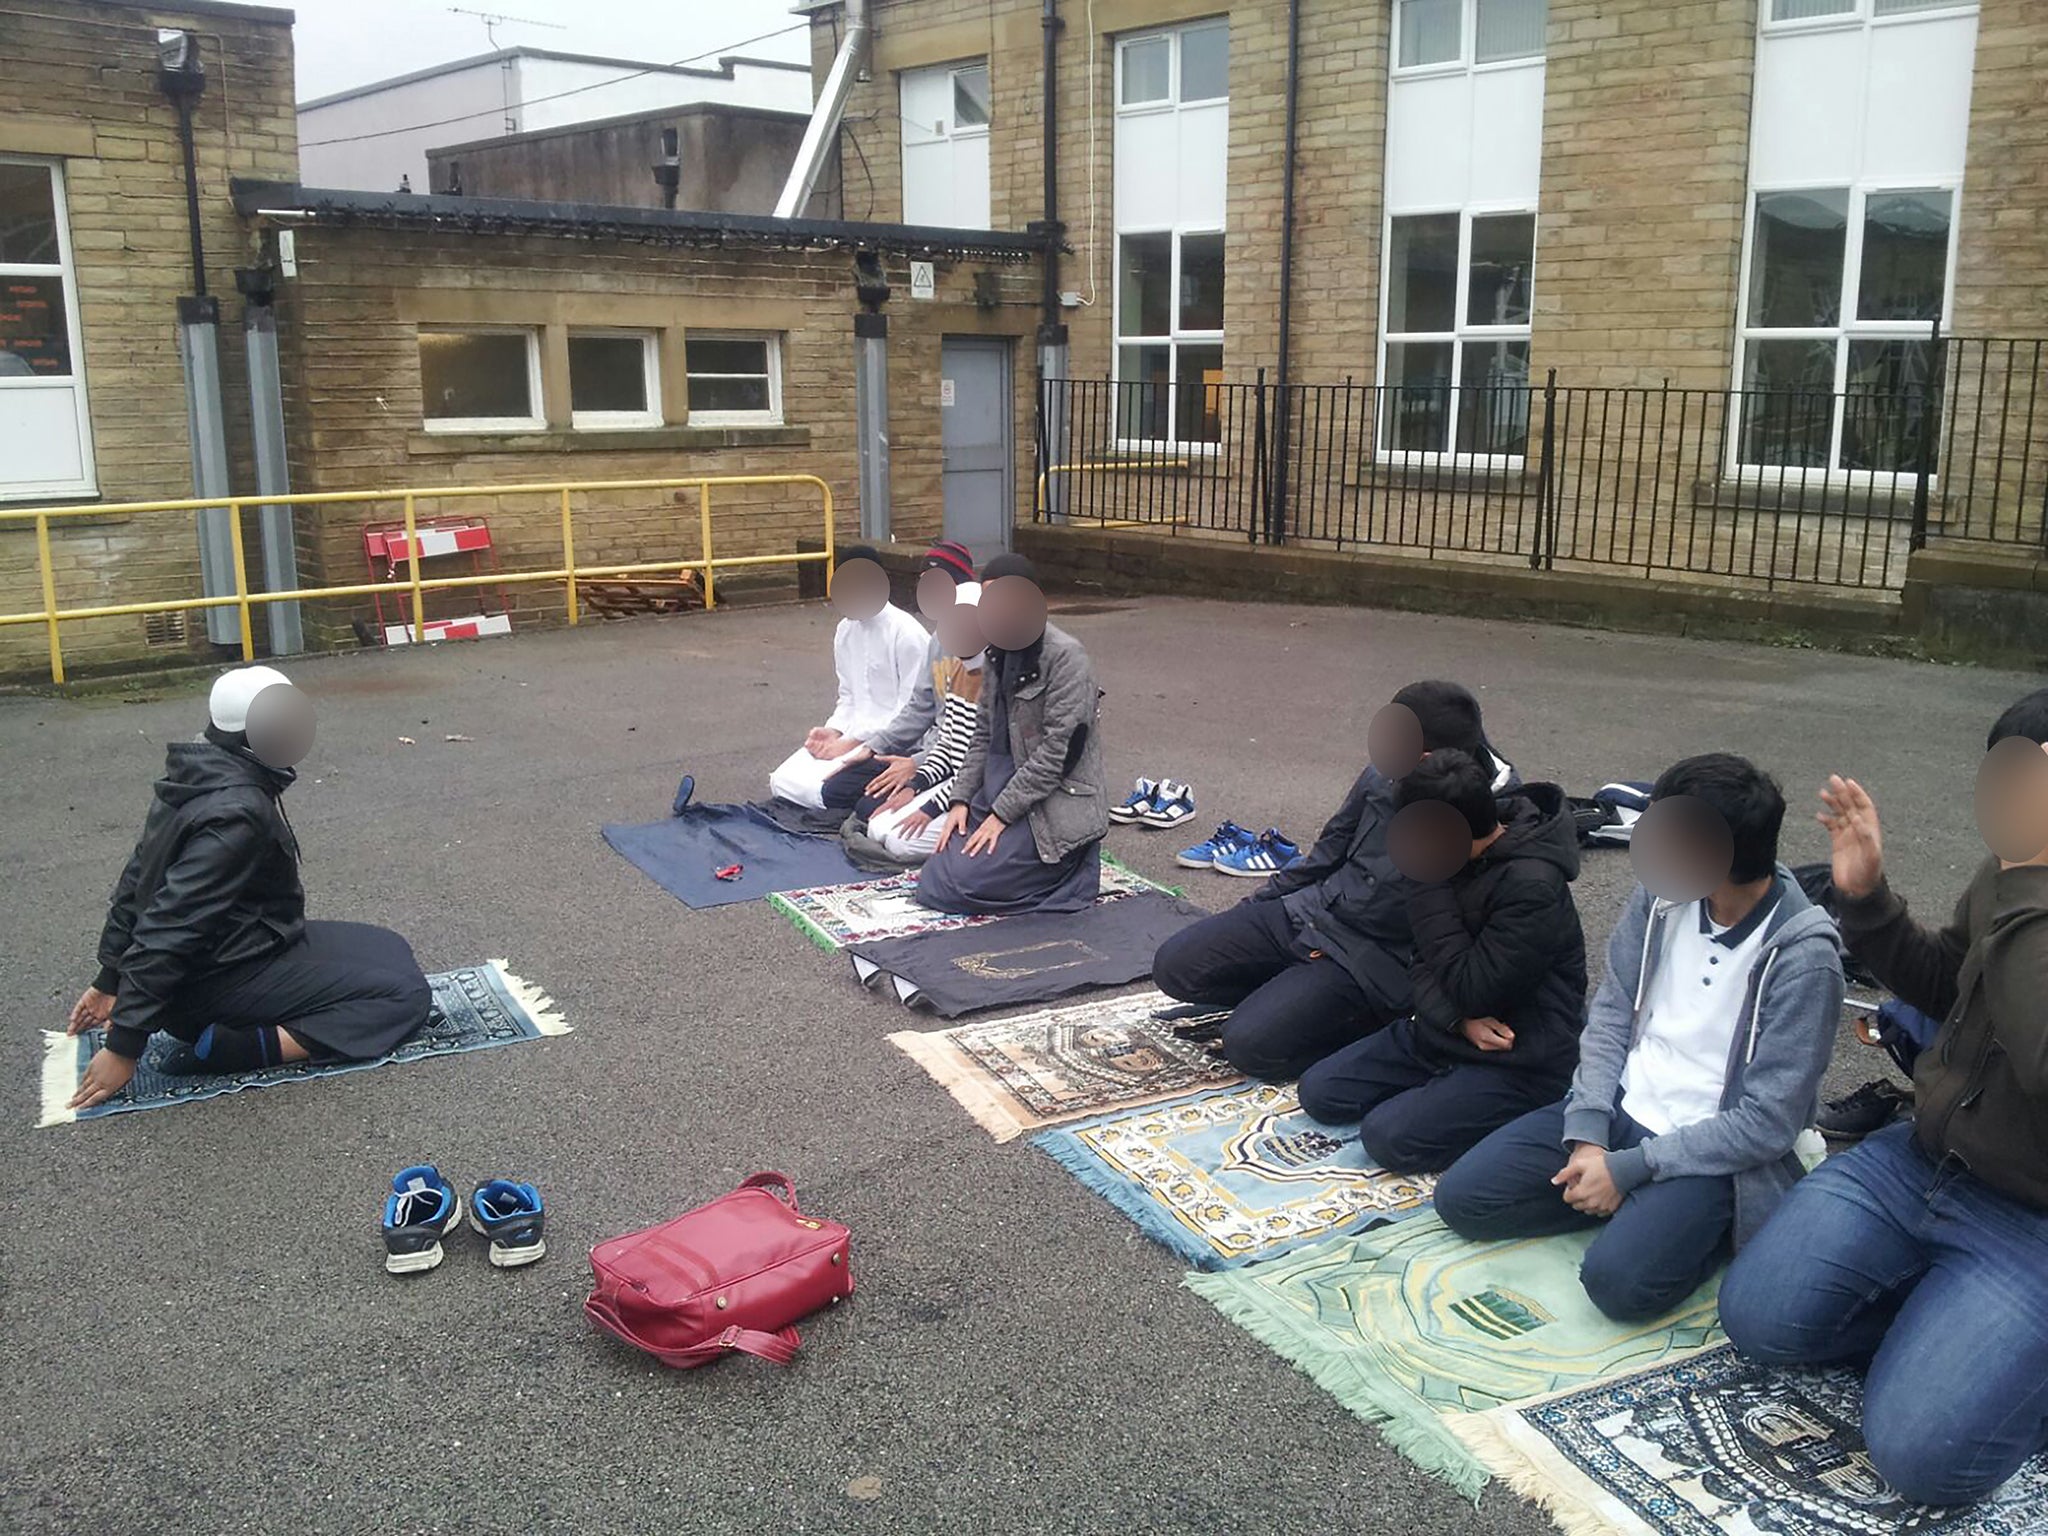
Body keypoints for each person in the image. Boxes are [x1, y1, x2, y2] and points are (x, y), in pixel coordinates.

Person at [1718, 689, 2048, 1508]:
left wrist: (2029, 886)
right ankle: (1951, 1325)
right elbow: (1945, 983)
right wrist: (1866, 898)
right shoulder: (2012, 870)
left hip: (2032, 1224)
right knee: (1758, 1320)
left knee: (1926, 1460)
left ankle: (1989, 1359)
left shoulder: (2024, 879)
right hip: (1920, 1160)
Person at [1433, 754, 1844, 1323]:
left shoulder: (1805, 957)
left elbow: (1767, 1122)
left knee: (1617, 1287)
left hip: (1714, 1150)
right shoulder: (1663, 897)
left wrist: (1631, 1169)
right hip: (1627, 1106)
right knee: (1464, 1200)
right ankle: (1622, 1202)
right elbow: (1610, 1015)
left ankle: (1675, 1217)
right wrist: (1588, 1135)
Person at [65, 666, 433, 1110]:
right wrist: (124, 1047)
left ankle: (248, 1022)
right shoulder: (237, 810)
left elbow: (136, 880)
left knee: (390, 948)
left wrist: (109, 980)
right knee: (405, 994)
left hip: (241, 946)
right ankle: (237, 1048)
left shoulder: (196, 772)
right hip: (211, 982)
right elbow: (171, 924)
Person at [1150, 681, 1516, 1080]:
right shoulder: (1385, 770)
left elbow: (1473, 939)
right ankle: (1289, 997)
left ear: (1425, 757)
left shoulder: (1490, 815)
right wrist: (1253, 910)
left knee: (1249, 1046)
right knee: (1176, 965)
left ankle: (1347, 1022)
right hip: (1315, 910)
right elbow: (1327, 852)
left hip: (1372, 959)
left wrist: (1449, 1015)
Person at [1297, 750, 1588, 1172]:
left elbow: (1475, 988)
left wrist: (1429, 885)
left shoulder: (1532, 886)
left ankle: (1511, 1111)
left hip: (1518, 1054)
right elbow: (1419, 960)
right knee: (1321, 1092)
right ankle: (1443, 1094)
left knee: (1387, 1137)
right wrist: (1455, 1021)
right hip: (1446, 1026)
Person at [918, 554, 1109, 915]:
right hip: (1000, 787)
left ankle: (1069, 875)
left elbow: (1058, 755)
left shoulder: (1068, 658)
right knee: (934, 879)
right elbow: (982, 736)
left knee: (959, 884)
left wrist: (1000, 816)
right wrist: (959, 799)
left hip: (1051, 801)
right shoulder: (997, 653)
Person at [825, 540, 981, 818]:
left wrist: (918, 766)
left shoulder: (978, 639)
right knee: (835, 790)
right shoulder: (938, 639)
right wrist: (872, 747)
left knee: (871, 812)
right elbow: (918, 708)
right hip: (929, 753)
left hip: (952, 761)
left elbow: (975, 736)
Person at [767, 545, 928, 811]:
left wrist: (850, 744)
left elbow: (911, 713)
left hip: (894, 745)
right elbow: (848, 698)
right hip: (851, 738)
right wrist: (832, 731)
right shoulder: (845, 631)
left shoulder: (906, 633)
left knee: (826, 793)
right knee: (781, 782)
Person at [862, 582, 986, 862]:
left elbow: (979, 767)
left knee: (899, 843)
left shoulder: (996, 677)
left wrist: (931, 807)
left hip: (980, 793)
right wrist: (914, 786)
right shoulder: (957, 669)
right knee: (877, 827)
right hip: (953, 781)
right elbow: (948, 744)